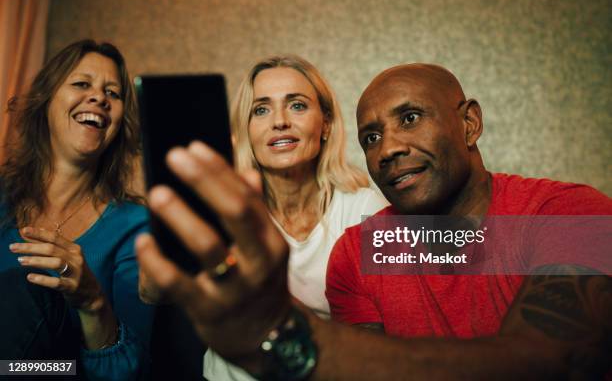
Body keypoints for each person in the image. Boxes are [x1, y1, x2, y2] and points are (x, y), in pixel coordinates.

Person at [135, 63, 611, 379]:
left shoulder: (569, 212)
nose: (388, 149)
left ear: (469, 124)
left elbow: (559, 361)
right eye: (372, 137)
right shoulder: (364, 249)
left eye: (410, 118)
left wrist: (281, 330)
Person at [138, 55, 388, 380]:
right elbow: (150, 291)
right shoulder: (227, 206)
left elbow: (397, 319)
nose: (279, 121)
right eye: (261, 109)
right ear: (246, 130)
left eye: (297, 105)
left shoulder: (364, 208)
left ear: (325, 123)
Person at [0, 39, 154, 380]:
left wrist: (92, 301)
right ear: (46, 100)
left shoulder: (136, 227)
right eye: (82, 84)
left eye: (112, 93)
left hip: (62, 372)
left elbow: (133, 371)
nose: (99, 97)